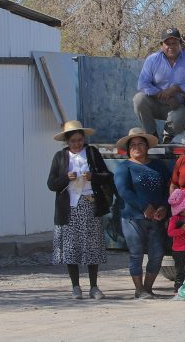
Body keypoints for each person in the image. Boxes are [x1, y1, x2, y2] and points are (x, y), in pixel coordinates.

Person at [47, 120, 111, 300]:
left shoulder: (92, 153)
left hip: (89, 204)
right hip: (69, 208)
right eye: (73, 141)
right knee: (71, 248)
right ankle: (75, 286)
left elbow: (107, 176)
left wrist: (94, 177)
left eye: (80, 140)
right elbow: (51, 184)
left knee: (92, 247)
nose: (77, 144)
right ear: (67, 142)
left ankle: (94, 286)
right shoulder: (60, 157)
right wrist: (65, 178)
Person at [114, 127, 171, 299]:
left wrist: (163, 207)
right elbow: (124, 191)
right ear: (128, 148)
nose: (137, 147)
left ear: (147, 147)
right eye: (133, 144)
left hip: (156, 218)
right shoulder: (124, 167)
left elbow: (167, 188)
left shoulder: (158, 166)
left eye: (140, 144)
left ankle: (148, 288)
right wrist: (144, 207)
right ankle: (138, 289)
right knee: (136, 253)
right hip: (133, 217)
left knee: (157, 253)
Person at [133, 28, 185, 144]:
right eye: (167, 43)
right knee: (138, 99)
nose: (171, 46)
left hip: (177, 105)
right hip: (154, 102)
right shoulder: (152, 60)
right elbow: (143, 84)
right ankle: (152, 137)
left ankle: (168, 138)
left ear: (180, 43)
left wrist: (176, 88)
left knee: (179, 119)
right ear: (161, 45)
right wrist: (162, 95)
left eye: (174, 43)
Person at [167, 188, 185, 293]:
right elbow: (170, 233)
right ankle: (178, 287)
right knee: (180, 270)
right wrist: (181, 230)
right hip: (178, 250)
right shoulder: (175, 219)